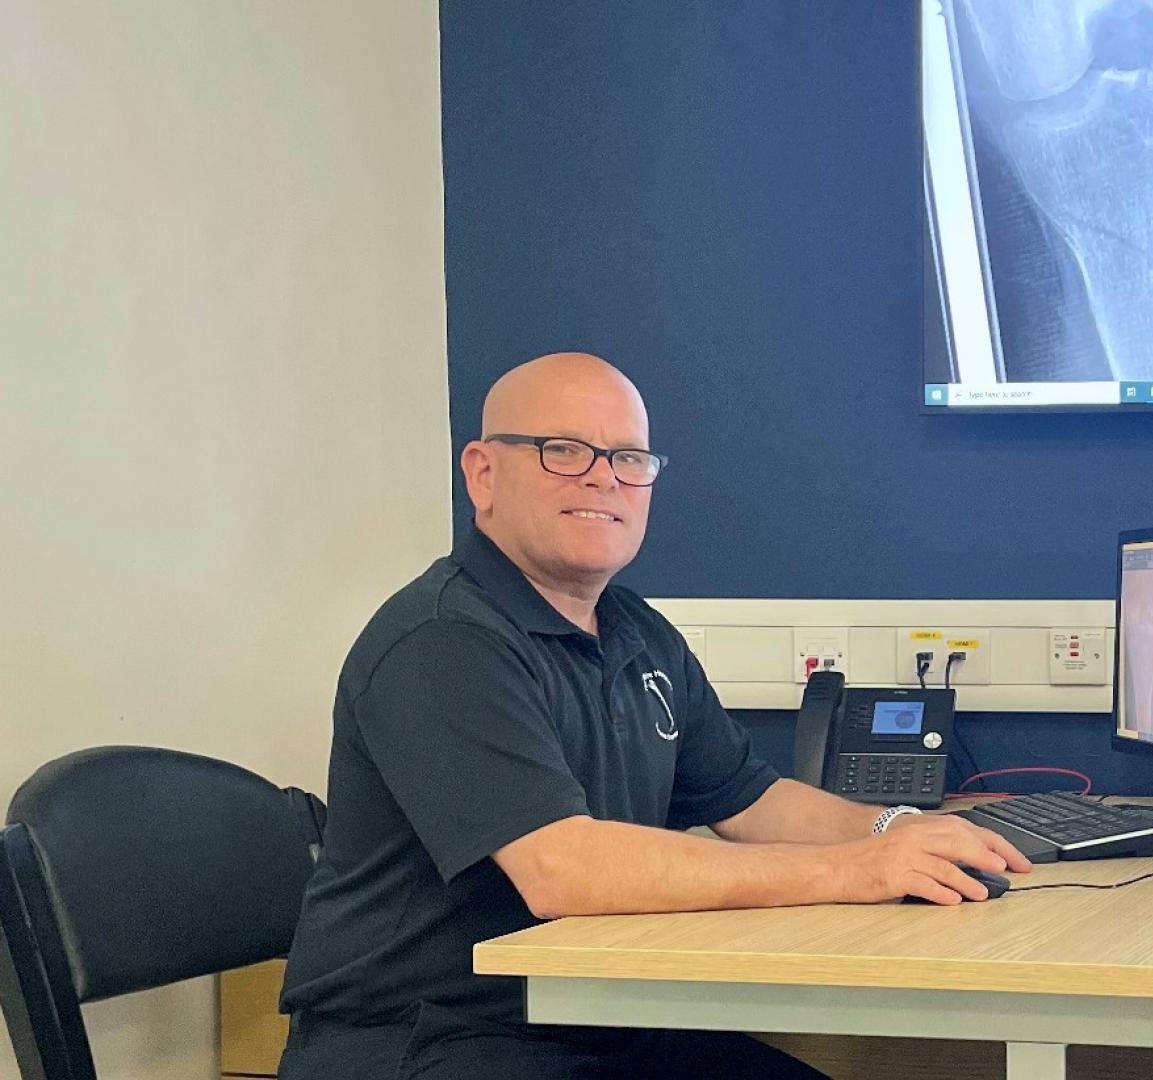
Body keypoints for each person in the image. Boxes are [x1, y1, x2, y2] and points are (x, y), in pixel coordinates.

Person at [277, 352, 1028, 1079]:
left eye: (629, 458)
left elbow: (748, 799)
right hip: (433, 1038)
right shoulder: (441, 641)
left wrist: (895, 831)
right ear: (483, 473)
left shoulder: (637, 634)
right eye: (563, 450)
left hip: (595, 1019)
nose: (604, 477)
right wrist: (855, 869)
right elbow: (562, 871)